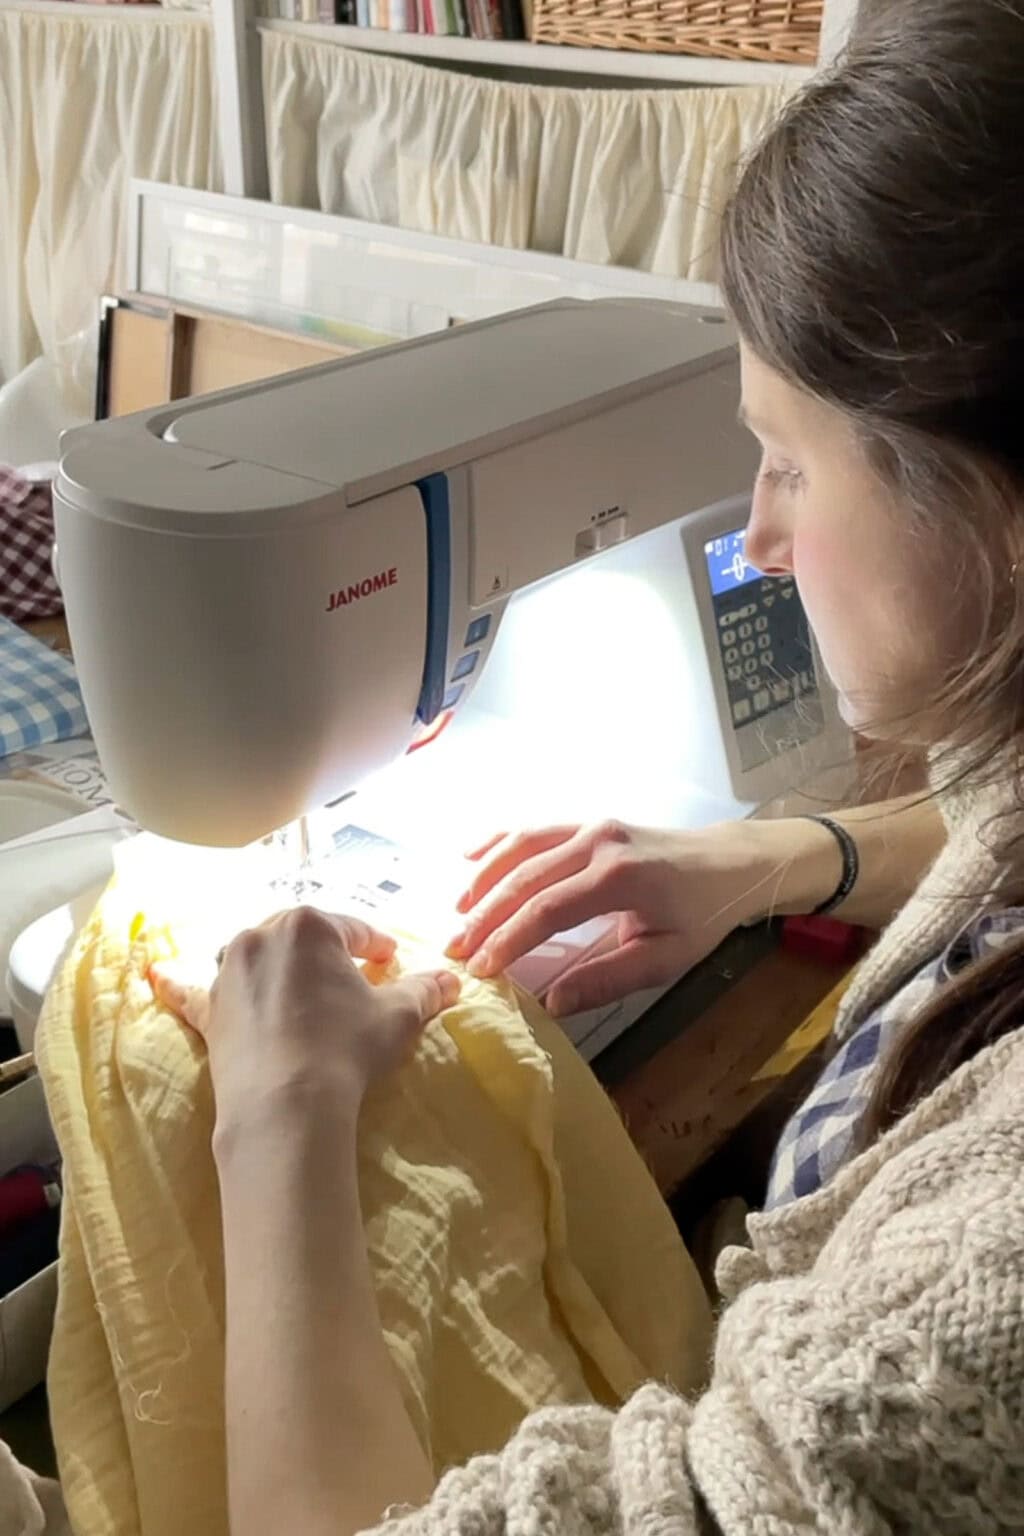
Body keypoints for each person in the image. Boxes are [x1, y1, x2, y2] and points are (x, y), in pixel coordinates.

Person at [144, 2, 1024, 1531]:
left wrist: (279, 1116)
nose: (758, 530)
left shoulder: (969, 1317)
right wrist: (779, 855)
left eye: (791, 459)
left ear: (992, 511)